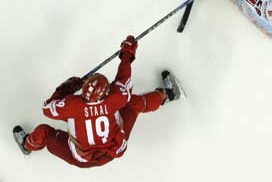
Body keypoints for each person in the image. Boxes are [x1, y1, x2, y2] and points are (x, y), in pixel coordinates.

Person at [13, 35, 184, 168]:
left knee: (44, 131)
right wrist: (127, 54)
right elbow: (123, 78)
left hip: (80, 158)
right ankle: (170, 93)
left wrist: (68, 87)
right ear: (107, 92)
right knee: (134, 104)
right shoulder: (115, 98)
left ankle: (27, 144)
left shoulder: (72, 105)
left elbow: (47, 108)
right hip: (113, 151)